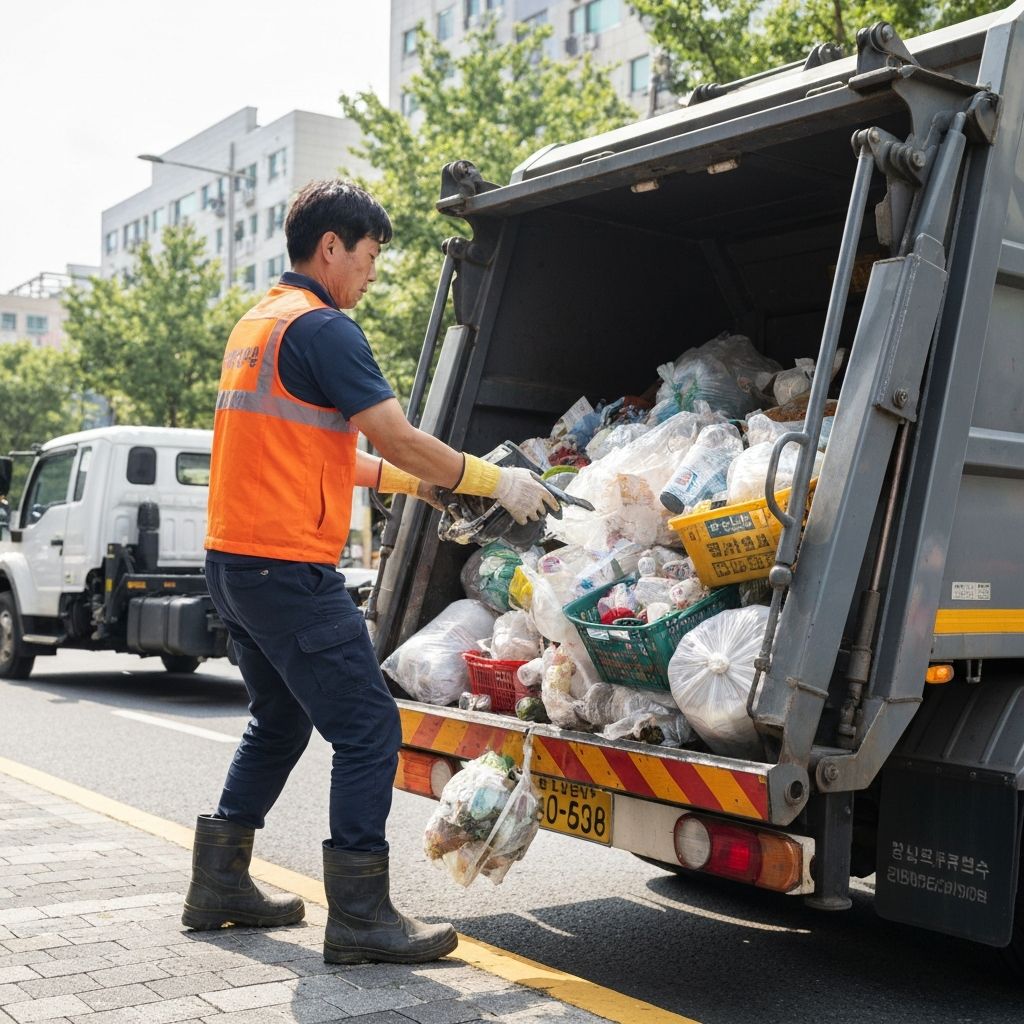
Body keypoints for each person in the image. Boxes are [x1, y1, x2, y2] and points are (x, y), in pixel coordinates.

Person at [182, 180, 557, 966]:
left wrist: (420, 486)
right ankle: (359, 918)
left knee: (279, 720)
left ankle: (219, 883)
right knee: (367, 730)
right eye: (372, 256)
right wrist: (495, 482)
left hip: (235, 564)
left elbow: (324, 453)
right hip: (287, 569)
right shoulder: (324, 328)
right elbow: (396, 437)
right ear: (332, 248)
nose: (374, 273)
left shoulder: (261, 323)